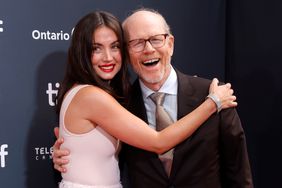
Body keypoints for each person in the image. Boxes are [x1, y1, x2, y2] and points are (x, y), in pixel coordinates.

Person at [52, 10, 238, 188]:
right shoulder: (97, 97)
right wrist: (213, 102)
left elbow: (236, 167)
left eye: (114, 46)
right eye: (96, 48)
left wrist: (73, 152)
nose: (108, 57)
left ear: (170, 44)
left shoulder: (204, 89)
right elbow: (158, 142)